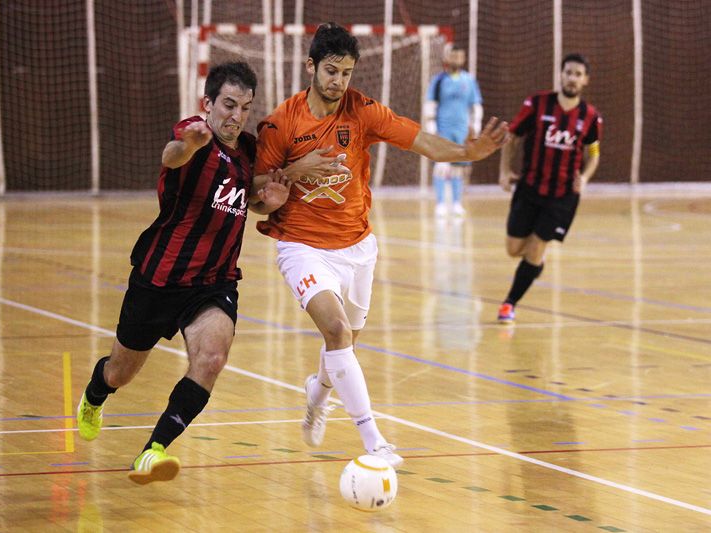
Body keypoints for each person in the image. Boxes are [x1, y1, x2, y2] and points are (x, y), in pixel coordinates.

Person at [75, 61, 344, 485]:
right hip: (160, 277)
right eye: (229, 105)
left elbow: (248, 199)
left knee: (212, 358)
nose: (236, 116)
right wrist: (188, 142)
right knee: (120, 372)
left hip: (215, 282)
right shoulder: (194, 134)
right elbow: (172, 155)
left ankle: (153, 451)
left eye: (245, 108)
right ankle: (95, 394)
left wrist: (274, 196)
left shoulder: (250, 150)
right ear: (209, 104)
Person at [255, 22, 508, 467]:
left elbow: (418, 139)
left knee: (346, 340)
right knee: (335, 331)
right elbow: (256, 192)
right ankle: (375, 441)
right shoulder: (281, 122)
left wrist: (468, 154)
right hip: (302, 245)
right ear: (311, 66)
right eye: (331, 71)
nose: (339, 82)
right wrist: (298, 170)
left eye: (347, 73)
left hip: (357, 246)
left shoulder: (362, 111)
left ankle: (317, 393)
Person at [496, 53, 602, 324]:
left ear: (586, 80)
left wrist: (586, 177)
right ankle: (535, 266)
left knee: (535, 248)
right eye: (568, 72)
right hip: (530, 188)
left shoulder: (590, 117)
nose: (572, 78)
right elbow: (513, 137)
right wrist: (505, 171)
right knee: (513, 249)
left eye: (578, 74)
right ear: (561, 75)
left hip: (563, 196)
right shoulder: (538, 104)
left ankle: (509, 304)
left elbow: (594, 154)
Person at [424, 43, 483, 217]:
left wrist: (476, 126)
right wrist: (432, 127)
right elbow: (430, 105)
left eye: (459, 56)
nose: (456, 59)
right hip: (443, 131)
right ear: (446, 58)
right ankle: (441, 203)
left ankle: (457, 203)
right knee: (442, 167)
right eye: (453, 56)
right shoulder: (439, 80)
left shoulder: (469, 80)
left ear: (463, 58)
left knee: (460, 168)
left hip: (462, 132)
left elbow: (476, 105)